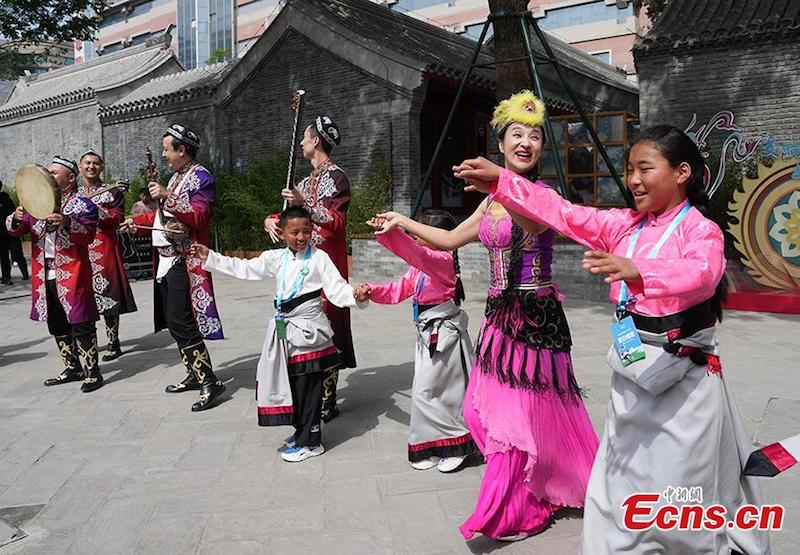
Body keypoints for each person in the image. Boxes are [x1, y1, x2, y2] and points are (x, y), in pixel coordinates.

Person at [455, 125, 771, 554]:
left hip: (684, 386)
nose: (634, 180)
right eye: (629, 170)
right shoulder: (624, 226)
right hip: (631, 374)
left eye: (645, 169)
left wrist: (641, 272)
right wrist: (503, 182)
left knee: (680, 480)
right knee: (617, 480)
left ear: (682, 173)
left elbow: (703, 274)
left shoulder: (700, 231)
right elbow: (563, 212)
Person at [377, 91, 599, 541]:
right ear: (500, 143)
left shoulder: (541, 193)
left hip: (537, 316)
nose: (526, 143)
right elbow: (449, 239)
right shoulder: (492, 200)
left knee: (524, 416)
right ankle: (531, 492)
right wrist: (402, 220)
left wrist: (500, 183)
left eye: (535, 136)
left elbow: (536, 224)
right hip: (498, 317)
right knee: (483, 415)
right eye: (516, 134)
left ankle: (516, 509)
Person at [195, 207, 363, 462]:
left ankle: (312, 441)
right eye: (294, 232)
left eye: (306, 231)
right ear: (282, 232)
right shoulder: (276, 258)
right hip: (286, 330)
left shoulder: (320, 258)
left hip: (309, 331)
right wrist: (212, 257)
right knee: (294, 386)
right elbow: (245, 268)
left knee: (309, 388)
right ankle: (302, 432)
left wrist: (356, 295)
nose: (301, 237)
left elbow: (337, 289)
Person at [357, 210, 477, 473]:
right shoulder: (421, 268)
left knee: (434, 393)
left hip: (443, 336)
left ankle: (459, 443)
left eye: (421, 231)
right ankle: (433, 445)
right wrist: (371, 290)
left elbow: (417, 253)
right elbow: (397, 289)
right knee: (431, 393)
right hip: (428, 334)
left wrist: (393, 231)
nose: (417, 236)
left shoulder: (442, 260)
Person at [121, 124, 225, 412]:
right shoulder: (177, 177)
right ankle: (194, 372)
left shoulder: (201, 177)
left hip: (185, 258)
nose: (164, 154)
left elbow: (200, 216)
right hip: (166, 258)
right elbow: (162, 219)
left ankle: (209, 380)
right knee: (173, 320)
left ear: (182, 150)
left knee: (182, 320)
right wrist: (138, 224)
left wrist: (168, 196)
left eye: (167, 149)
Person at [264, 115, 354, 422]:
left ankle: (328, 399)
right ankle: (309, 393)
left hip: (324, 264)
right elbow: (293, 216)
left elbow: (338, 223)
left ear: (316, 140)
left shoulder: (338, 177)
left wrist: (308, 205)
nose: (301, 142)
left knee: (327, 328)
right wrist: (272, 219)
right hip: (299, 266)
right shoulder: (303, 181)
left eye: (305, 137)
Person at [5, 157, 104, 392]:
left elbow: (88, 234)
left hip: (73, 271)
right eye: (47, 172)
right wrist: (17, 216)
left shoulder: (82, 203)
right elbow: (15, 230)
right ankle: (72, 366)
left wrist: (67, 221)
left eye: (54, 173)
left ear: (71, 178)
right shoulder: (36, 202)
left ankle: (92, 371)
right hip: (44, 272)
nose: (48, 176)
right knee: (56, 322)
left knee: (81, 321)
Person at [78, 150, 137, 360]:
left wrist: (96, 210)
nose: (91, 167)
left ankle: (113, 341)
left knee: (108, 292)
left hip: (103, 247)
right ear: (80, 166)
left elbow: (117, 218)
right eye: (87, 163)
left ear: (101, 167)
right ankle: (87, 340)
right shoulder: (74, 194)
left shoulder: (113, 192)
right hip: (79, 248)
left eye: (96, 163)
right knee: (82, 295)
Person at [0, 178, 29, 284]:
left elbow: (14, 215)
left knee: (17, 254)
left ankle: (25, 274)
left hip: (11, 232)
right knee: (4, 256)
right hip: (2, 234)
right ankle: (6, 276)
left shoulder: (6, 199)